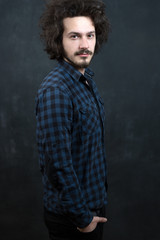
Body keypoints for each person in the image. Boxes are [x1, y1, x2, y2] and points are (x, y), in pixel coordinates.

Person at [35, 0, 110, 239]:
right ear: (59, 40)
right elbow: (58, 165)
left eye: (90, 35)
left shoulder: (85, 80)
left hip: (92, 209)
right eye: (75, 36)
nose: (85, 45)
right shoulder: (57, 89)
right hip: (74, 220)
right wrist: (83, 218)